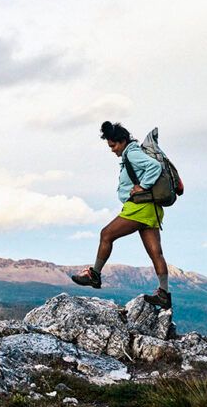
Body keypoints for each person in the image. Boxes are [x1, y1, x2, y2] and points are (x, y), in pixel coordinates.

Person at [71, 122, 172, 309]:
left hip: (139, 207)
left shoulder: (132, 153)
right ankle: (164, 294)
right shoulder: (130, 153)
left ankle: (94, 275)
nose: (112, 150)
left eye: (113, 145)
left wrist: (143, 186)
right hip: (151, 209)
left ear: (123, 141)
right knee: (156, 253)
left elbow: (155, 167)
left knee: (106, 234)